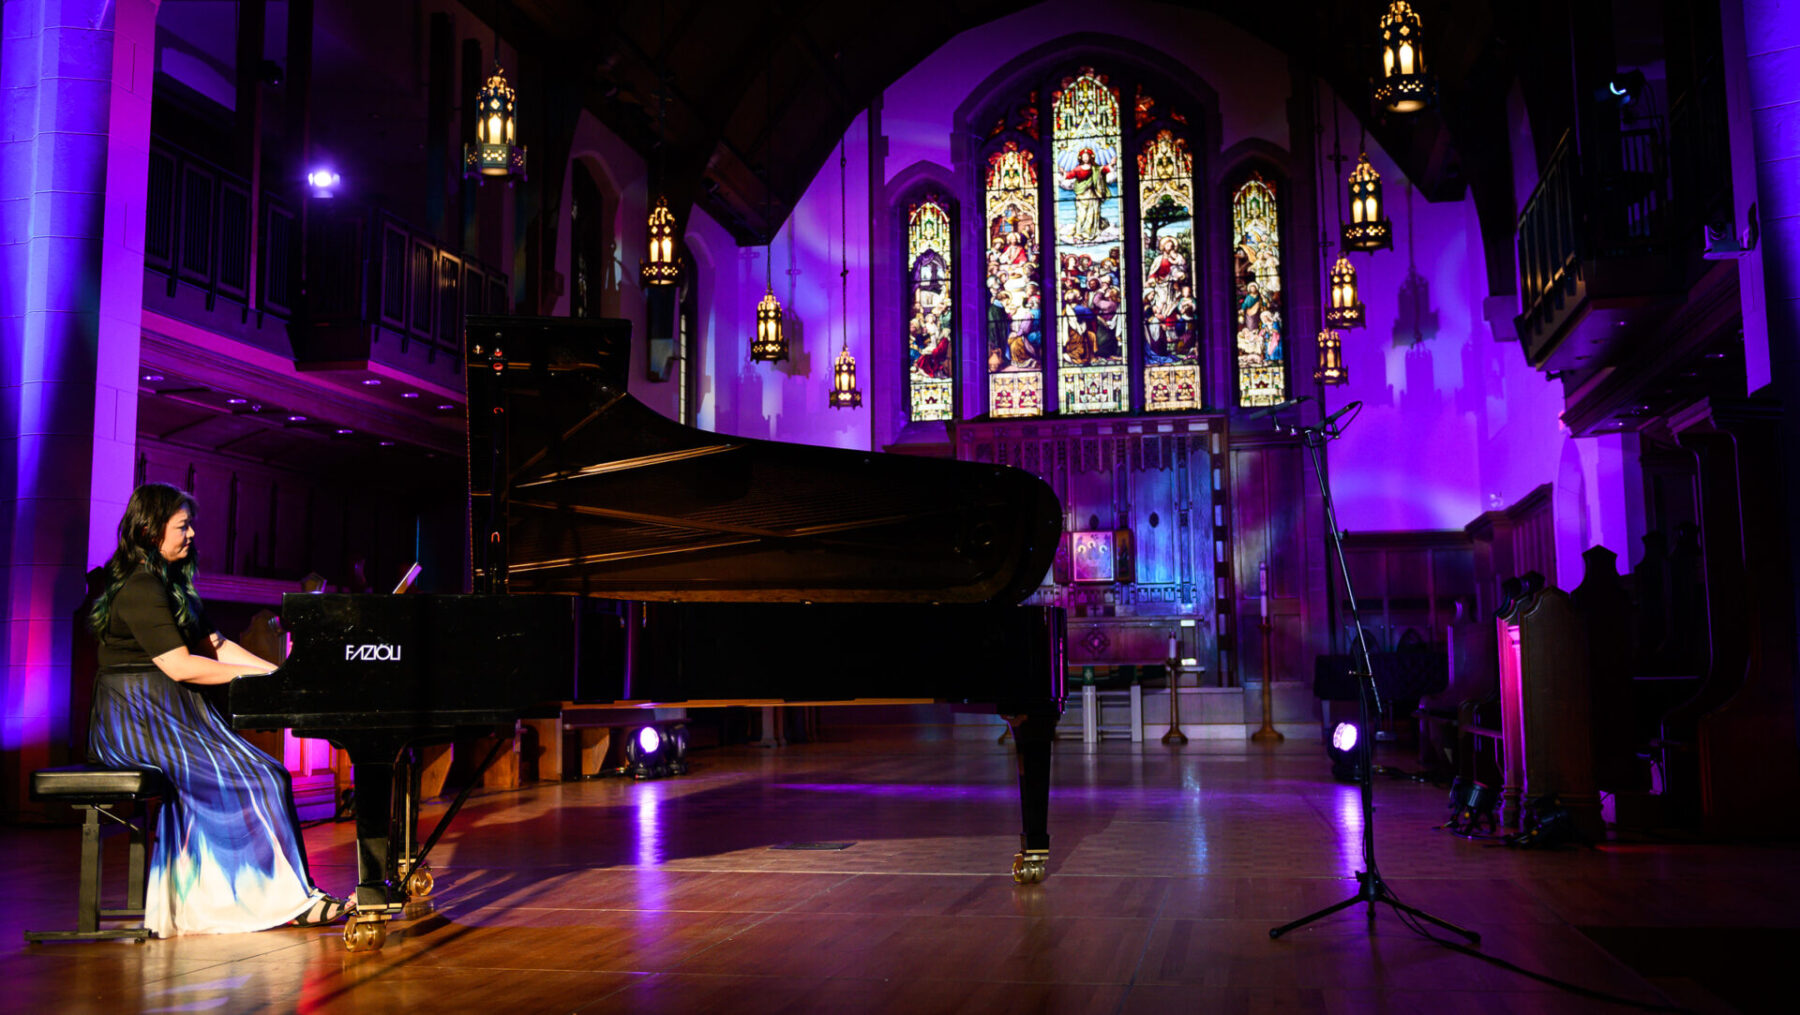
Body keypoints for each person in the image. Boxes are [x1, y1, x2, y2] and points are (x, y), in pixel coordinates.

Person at [85, 482, 348, 936]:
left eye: (191, 526)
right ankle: (268, 899)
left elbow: (217, 645)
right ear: (150, 530)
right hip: (136, 718)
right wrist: (259, 679)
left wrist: (278, 675)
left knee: (269, 773)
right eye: (182, 526)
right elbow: (181, 665)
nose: (191, 535)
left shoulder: (168, 583)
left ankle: (275, 895)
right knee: (262, 775)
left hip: (164, 712)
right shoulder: (140, 586)